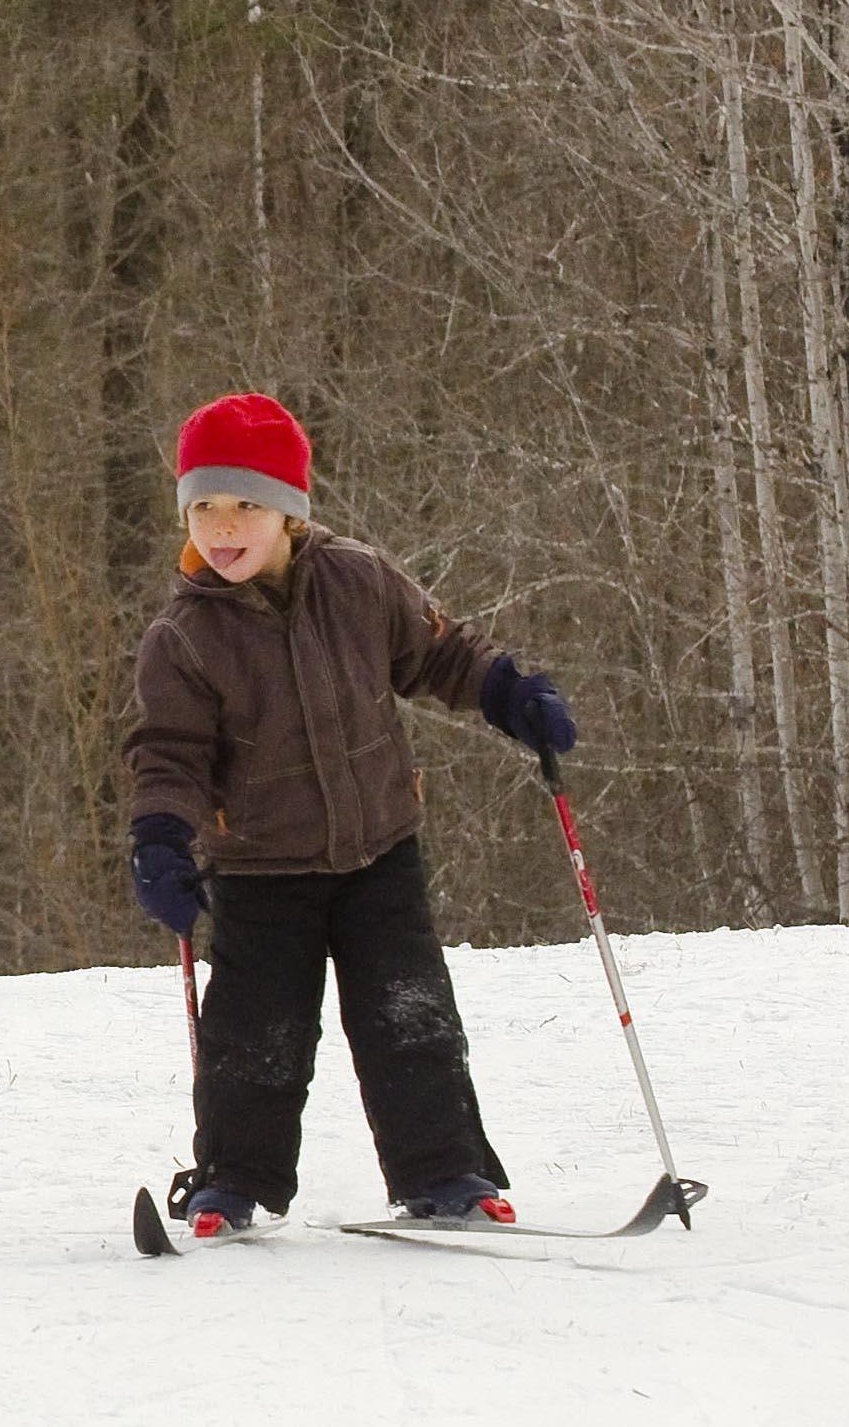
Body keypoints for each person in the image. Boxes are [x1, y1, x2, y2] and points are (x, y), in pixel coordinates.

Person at [122, 391, 577, 1238]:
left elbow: (441, 650)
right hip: (259, 868)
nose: (222, 527)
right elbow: (168, 755)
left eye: (244, 504)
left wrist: (510, 693)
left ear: (289, 512)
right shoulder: (182, 637)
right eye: (203, 506)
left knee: (409, 1016)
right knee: (256, 1033)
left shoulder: (357, 581)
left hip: (378, 853)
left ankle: (445, 1171)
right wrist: (159, 839)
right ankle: (231, 1178)